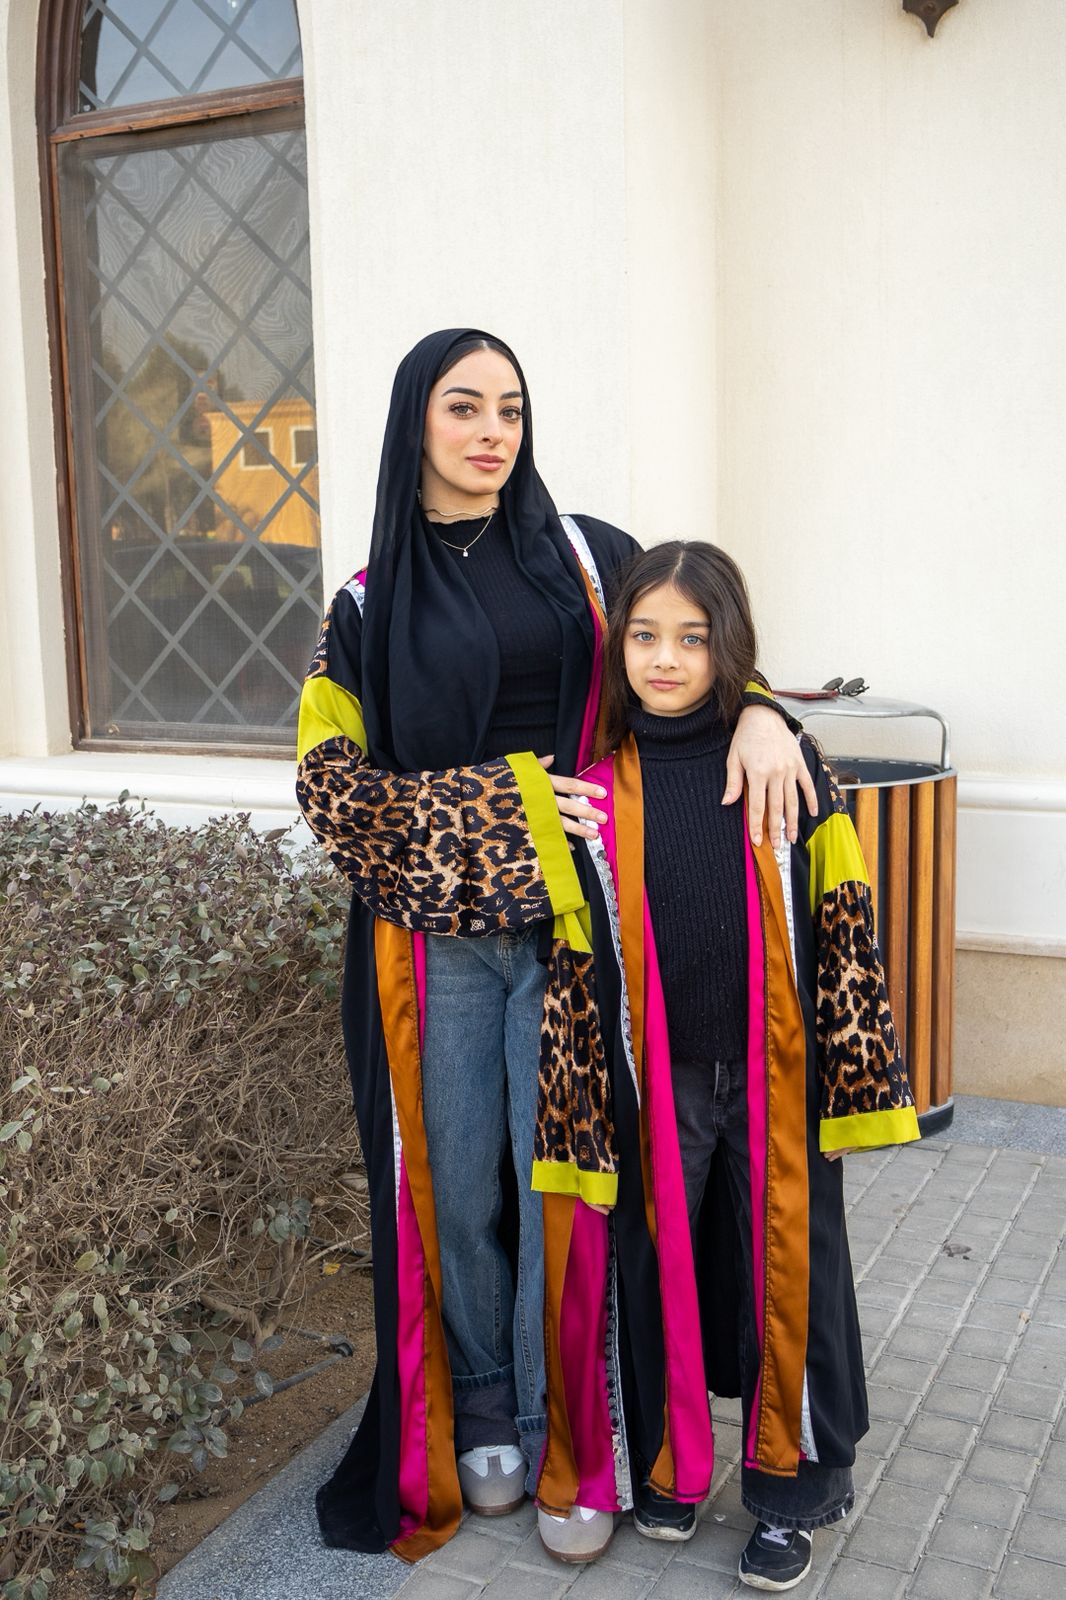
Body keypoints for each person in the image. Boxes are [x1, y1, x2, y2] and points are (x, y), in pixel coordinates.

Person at [294, 331, 814, 1564]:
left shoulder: (587, 555)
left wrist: (765, 715)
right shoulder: (365, 602)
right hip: (434, 946)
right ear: (415, 421)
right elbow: (330, 786)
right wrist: (511, 801)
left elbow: (695, 646)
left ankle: (567, 1430)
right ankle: (481, 1403)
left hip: (586, 935)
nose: (492, 432)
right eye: (464, 407)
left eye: (511, 409)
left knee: (565, 1192)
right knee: (456, 1185)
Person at [532, 541, 920, 1585]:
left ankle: (794, 1491)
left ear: (728, 649)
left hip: (774, 1074)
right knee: (658, 1269)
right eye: (645, 635)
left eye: (692, 638)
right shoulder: (594, 790)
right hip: (657, 1084)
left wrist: (853, 1079)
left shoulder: (779, 763)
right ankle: (670, 1468)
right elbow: (576, 957)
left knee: (786, 1274)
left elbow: (842, 925)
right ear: (618, 644)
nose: (665, 658)